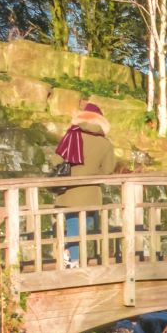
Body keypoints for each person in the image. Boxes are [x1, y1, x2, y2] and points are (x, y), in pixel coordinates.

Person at [52, 101, 117, 265]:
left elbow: (55, 161)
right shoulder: (105, 144)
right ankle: (72, 259)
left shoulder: (70, 136)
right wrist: (93, 174)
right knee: (82, 228)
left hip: (67, 192)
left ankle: (71, 258)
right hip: (90, 194)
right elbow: (108, 169)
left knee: (72, 226)